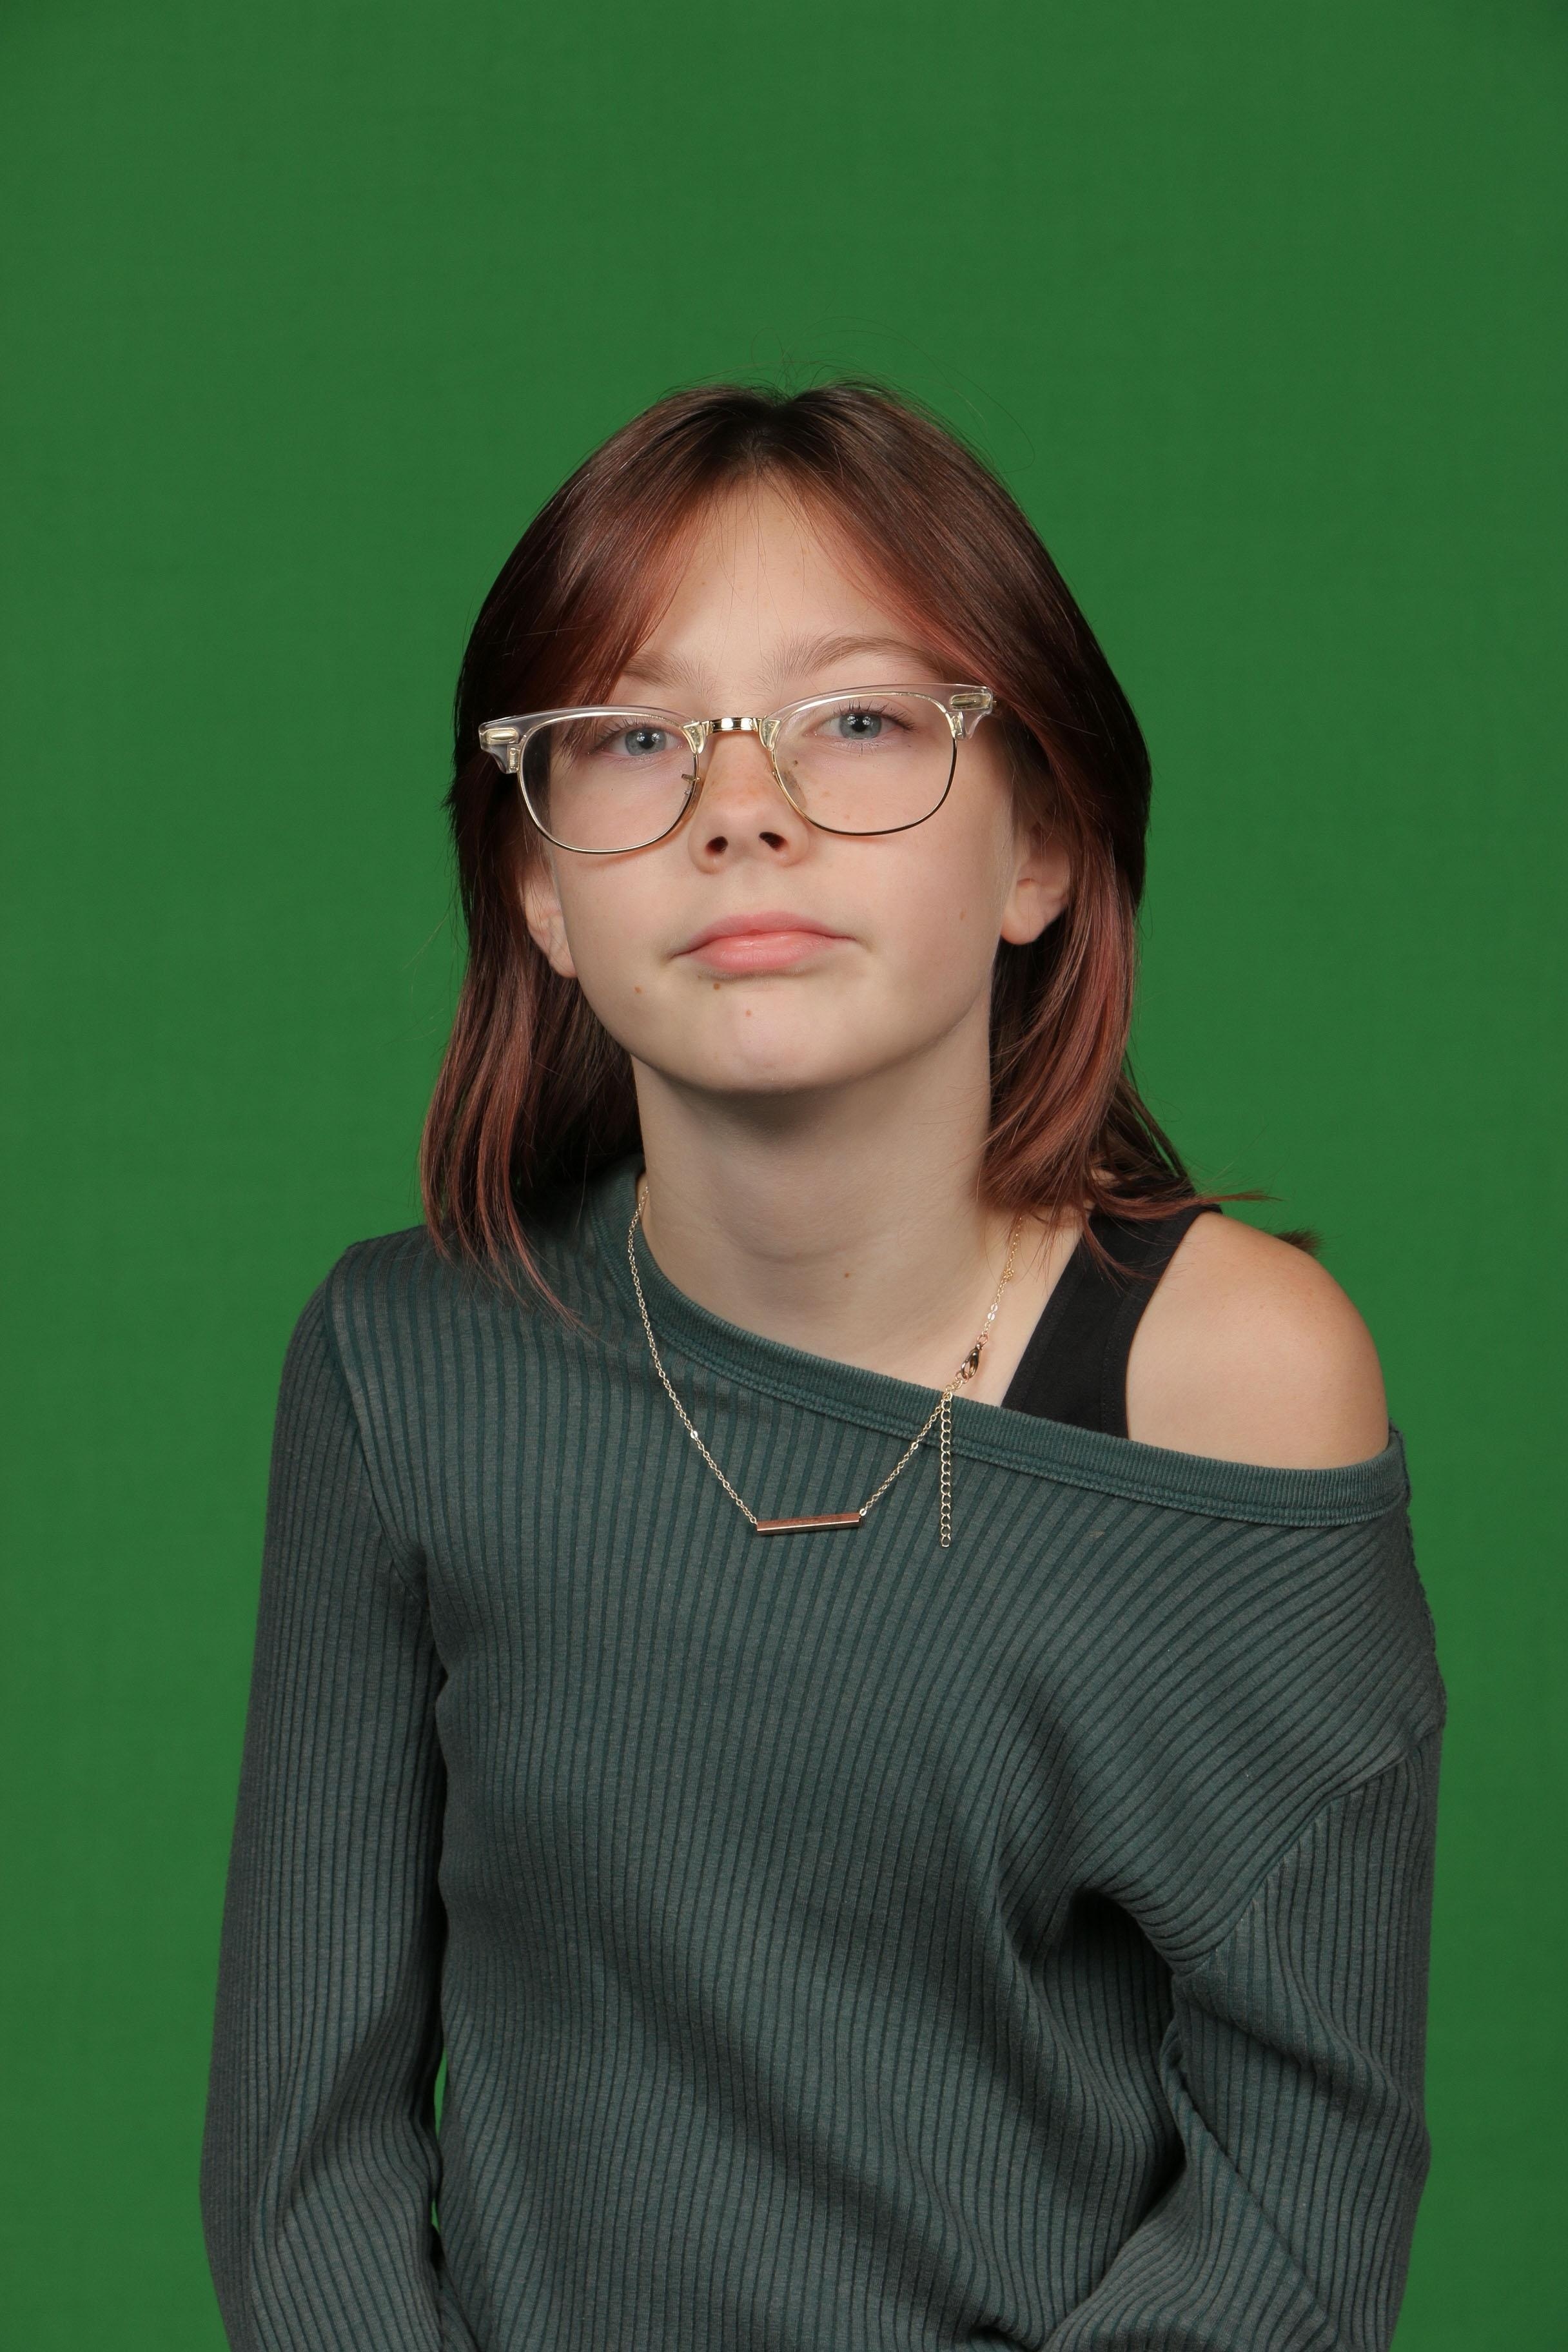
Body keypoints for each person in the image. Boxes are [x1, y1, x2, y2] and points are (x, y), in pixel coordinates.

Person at [199, 382, 1444, 2352]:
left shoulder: (1232, 1381)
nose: (741, 806)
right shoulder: (402, 1366)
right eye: (634, 736)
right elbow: (306, 2163)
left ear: (1042, 847)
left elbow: (1306, 2185)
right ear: (541, 887)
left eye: (858, 718)